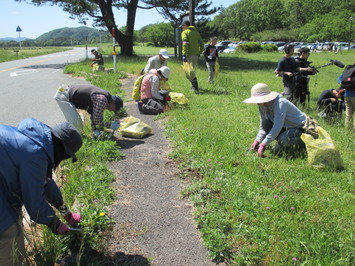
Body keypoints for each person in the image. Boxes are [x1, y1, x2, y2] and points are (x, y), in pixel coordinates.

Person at [0, 118, 83, 265]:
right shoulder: (35, 154)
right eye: (66, 156)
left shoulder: (35, 141)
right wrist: (55, 224)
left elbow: (44, 183)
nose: (64, 160)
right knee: (10, 232)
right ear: (61, 148)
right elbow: (34, 204)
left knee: (13, 218)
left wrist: (66, 213)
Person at [243, 83, 307, 158]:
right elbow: (264, 126)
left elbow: (277, 126)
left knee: (283, 140)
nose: (257, 103)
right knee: (275, 150)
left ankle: (304, 144)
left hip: (298, 128)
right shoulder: (262, 105)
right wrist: (257, 141)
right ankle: (282, 143)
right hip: (285, 128)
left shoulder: (280, 103)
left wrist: (263, 144)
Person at [54, 84, 123, 136]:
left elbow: (94, 116)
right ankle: (73, 142)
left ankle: (77, 139)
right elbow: (97, 120)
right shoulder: (102, 100)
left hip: (66, 93)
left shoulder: (103, 99)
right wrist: (110, 125)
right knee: (76, 124)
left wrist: (95, 129)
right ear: (113, 103)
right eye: (114, 109)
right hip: (64, 96)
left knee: (76, 124)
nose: (111, 111)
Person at [181, 20, 204, 93]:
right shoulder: (196, 33)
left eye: (182, 26)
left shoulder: (185, 32)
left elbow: (185, 43)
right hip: (196, 55)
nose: (182, 27)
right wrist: (199, 52)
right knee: (191, 70)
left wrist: (185, 54)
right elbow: (202, 44)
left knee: (188, 72)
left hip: (188, 55)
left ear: (185, 25)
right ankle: (193, 86)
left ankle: (195, 87)